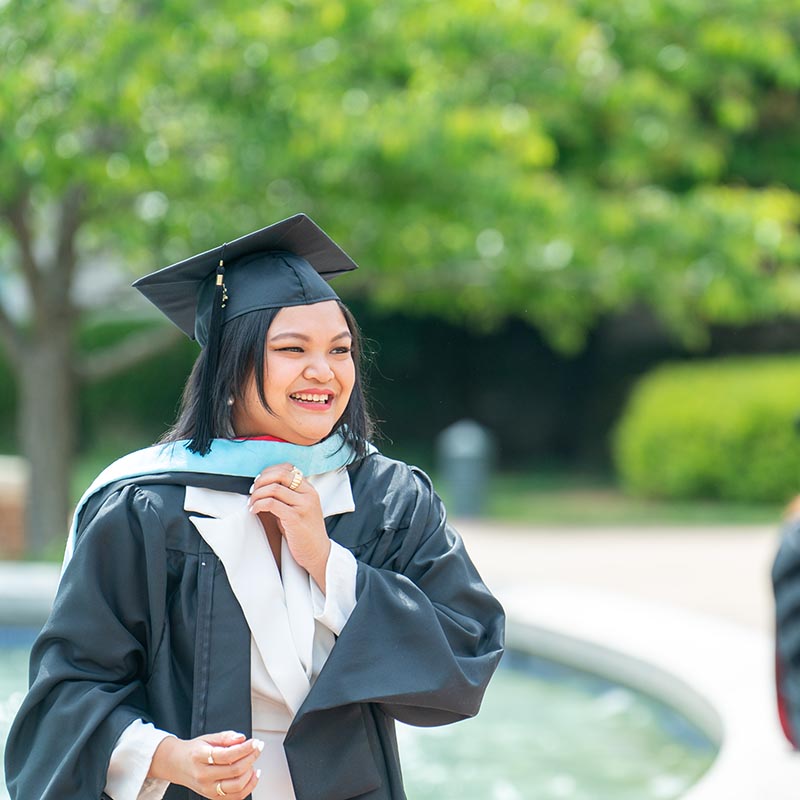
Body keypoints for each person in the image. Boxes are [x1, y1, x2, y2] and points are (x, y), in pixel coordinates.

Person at [4, 213, 506, 800]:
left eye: (339, 350)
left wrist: (329, 565)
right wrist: (169, 757)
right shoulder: (146, 507)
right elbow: (66, 696)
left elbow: (467, 655)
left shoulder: (389, 498)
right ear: (231, 366)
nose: (324, 371)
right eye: (293, 348)